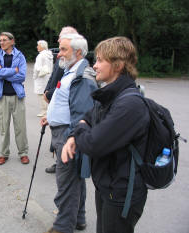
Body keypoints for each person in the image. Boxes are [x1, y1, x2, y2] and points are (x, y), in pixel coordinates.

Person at [62, 37, 148, 233]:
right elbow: (89, 115)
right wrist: (79, 131)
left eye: (100, 60)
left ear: (117, 65)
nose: (95, 65)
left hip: (121, 194)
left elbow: (93, 144)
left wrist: (79, 131)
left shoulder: (129, 104)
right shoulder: (111, 94)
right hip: (107, 186)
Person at [40, 33, 96, 233]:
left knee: (66, 183)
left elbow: (83, 113)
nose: (58, 54)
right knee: (75, 180)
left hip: (68, 135)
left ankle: (63, 227)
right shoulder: (71, 70)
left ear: (78, 52)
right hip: (62, 130)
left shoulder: (81, 76)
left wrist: (71, 138)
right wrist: (51, 116)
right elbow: (68, 102)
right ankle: (78, 219)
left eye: (63, 50)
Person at [44, 26, 80, 174]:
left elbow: (63, 86)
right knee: (56, 140)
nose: (58, 40)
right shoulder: (63, 59)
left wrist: (50, 94)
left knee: (67, 182)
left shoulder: (75, 69)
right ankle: (59, 161)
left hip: (64, 119)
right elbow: (53, 77)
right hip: (53, 98)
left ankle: (61, 163)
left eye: (61, 38)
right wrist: (47, 91)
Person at [0, 32, 29, 166]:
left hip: (17, 96)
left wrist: (3, 73)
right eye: (0, 40)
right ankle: (4, 154)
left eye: (4, 40)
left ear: (12, 41)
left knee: (20, 127)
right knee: (3, 127)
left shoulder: (20, 56)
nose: (1, 42)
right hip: (2, 97)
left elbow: (22, 76)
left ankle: (23, 153)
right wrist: (14, 70)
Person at [34, 40, 53, 117]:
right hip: (48, 76)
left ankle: (44, 111)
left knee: (41, 94)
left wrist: (35, 75)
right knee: (45, 92)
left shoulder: (41, 56)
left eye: (38, 45)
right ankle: (47, 110)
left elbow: (37, 68)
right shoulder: (49, 55)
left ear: (42, 46)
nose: (37, 47)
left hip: (41, 77)